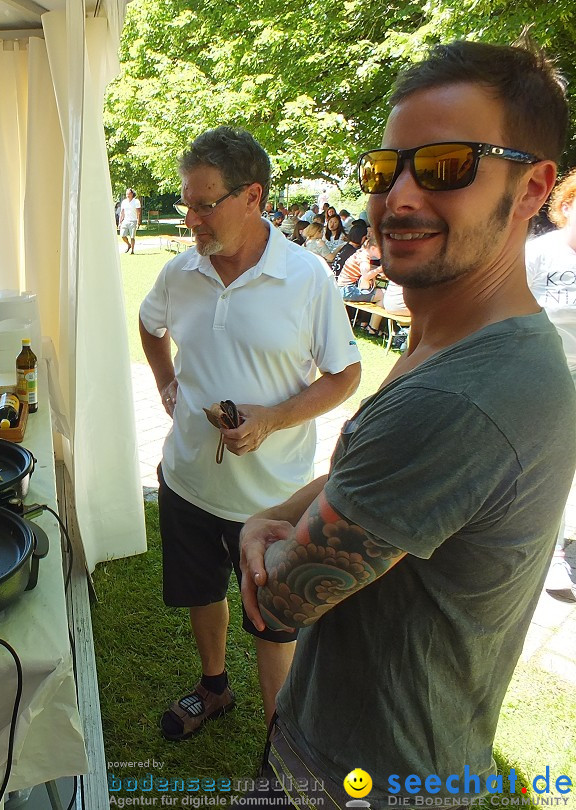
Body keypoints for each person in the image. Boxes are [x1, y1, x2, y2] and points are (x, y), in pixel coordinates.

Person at [238, 38, 574, 807]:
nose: (401, 197)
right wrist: (274, 515)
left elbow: (280, 603)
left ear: (533, 188)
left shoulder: (464, 395)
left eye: (448, 164)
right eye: (386, 170)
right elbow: (366, 479)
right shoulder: (451, 339)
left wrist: (258, 538)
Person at [139, 127, 361, 740]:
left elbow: (345, 374)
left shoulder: (306, 277)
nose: (192, 219)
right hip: (186, 479)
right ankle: (213, 686)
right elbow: (149, 325)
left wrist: (272, 419)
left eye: (205, 204)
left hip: (270, 498)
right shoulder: (180, 271)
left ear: (253, 197)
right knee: (199, 591)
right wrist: (165, 384)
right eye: (187, 203)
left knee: (272, 621)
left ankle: (278, 742)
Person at [526, 166, 576, 602]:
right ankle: (553, 553)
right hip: (541, 374)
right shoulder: (540, 253)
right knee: (549, 465)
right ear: (565, 205)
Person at [335, 228, 385, 303]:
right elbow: (366, 276)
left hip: (343, 289)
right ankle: (373, 315)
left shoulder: (361, 252)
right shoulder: (364, 258)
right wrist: (379, 269)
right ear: (373, 248)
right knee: (383, 295)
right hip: (347, 290)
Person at [119, 188, 141, 254]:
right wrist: (120, 222)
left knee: (132, 237)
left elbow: (138, 212)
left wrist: (138, 221)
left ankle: (132, 250)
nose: (127, 195)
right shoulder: (124, 202)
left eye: (128, 194)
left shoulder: (136, 201)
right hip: (125, 221)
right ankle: (129, 245)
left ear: (132, 194)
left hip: (133, 221)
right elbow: (122, 212)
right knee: (122, 235)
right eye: (126, 194)